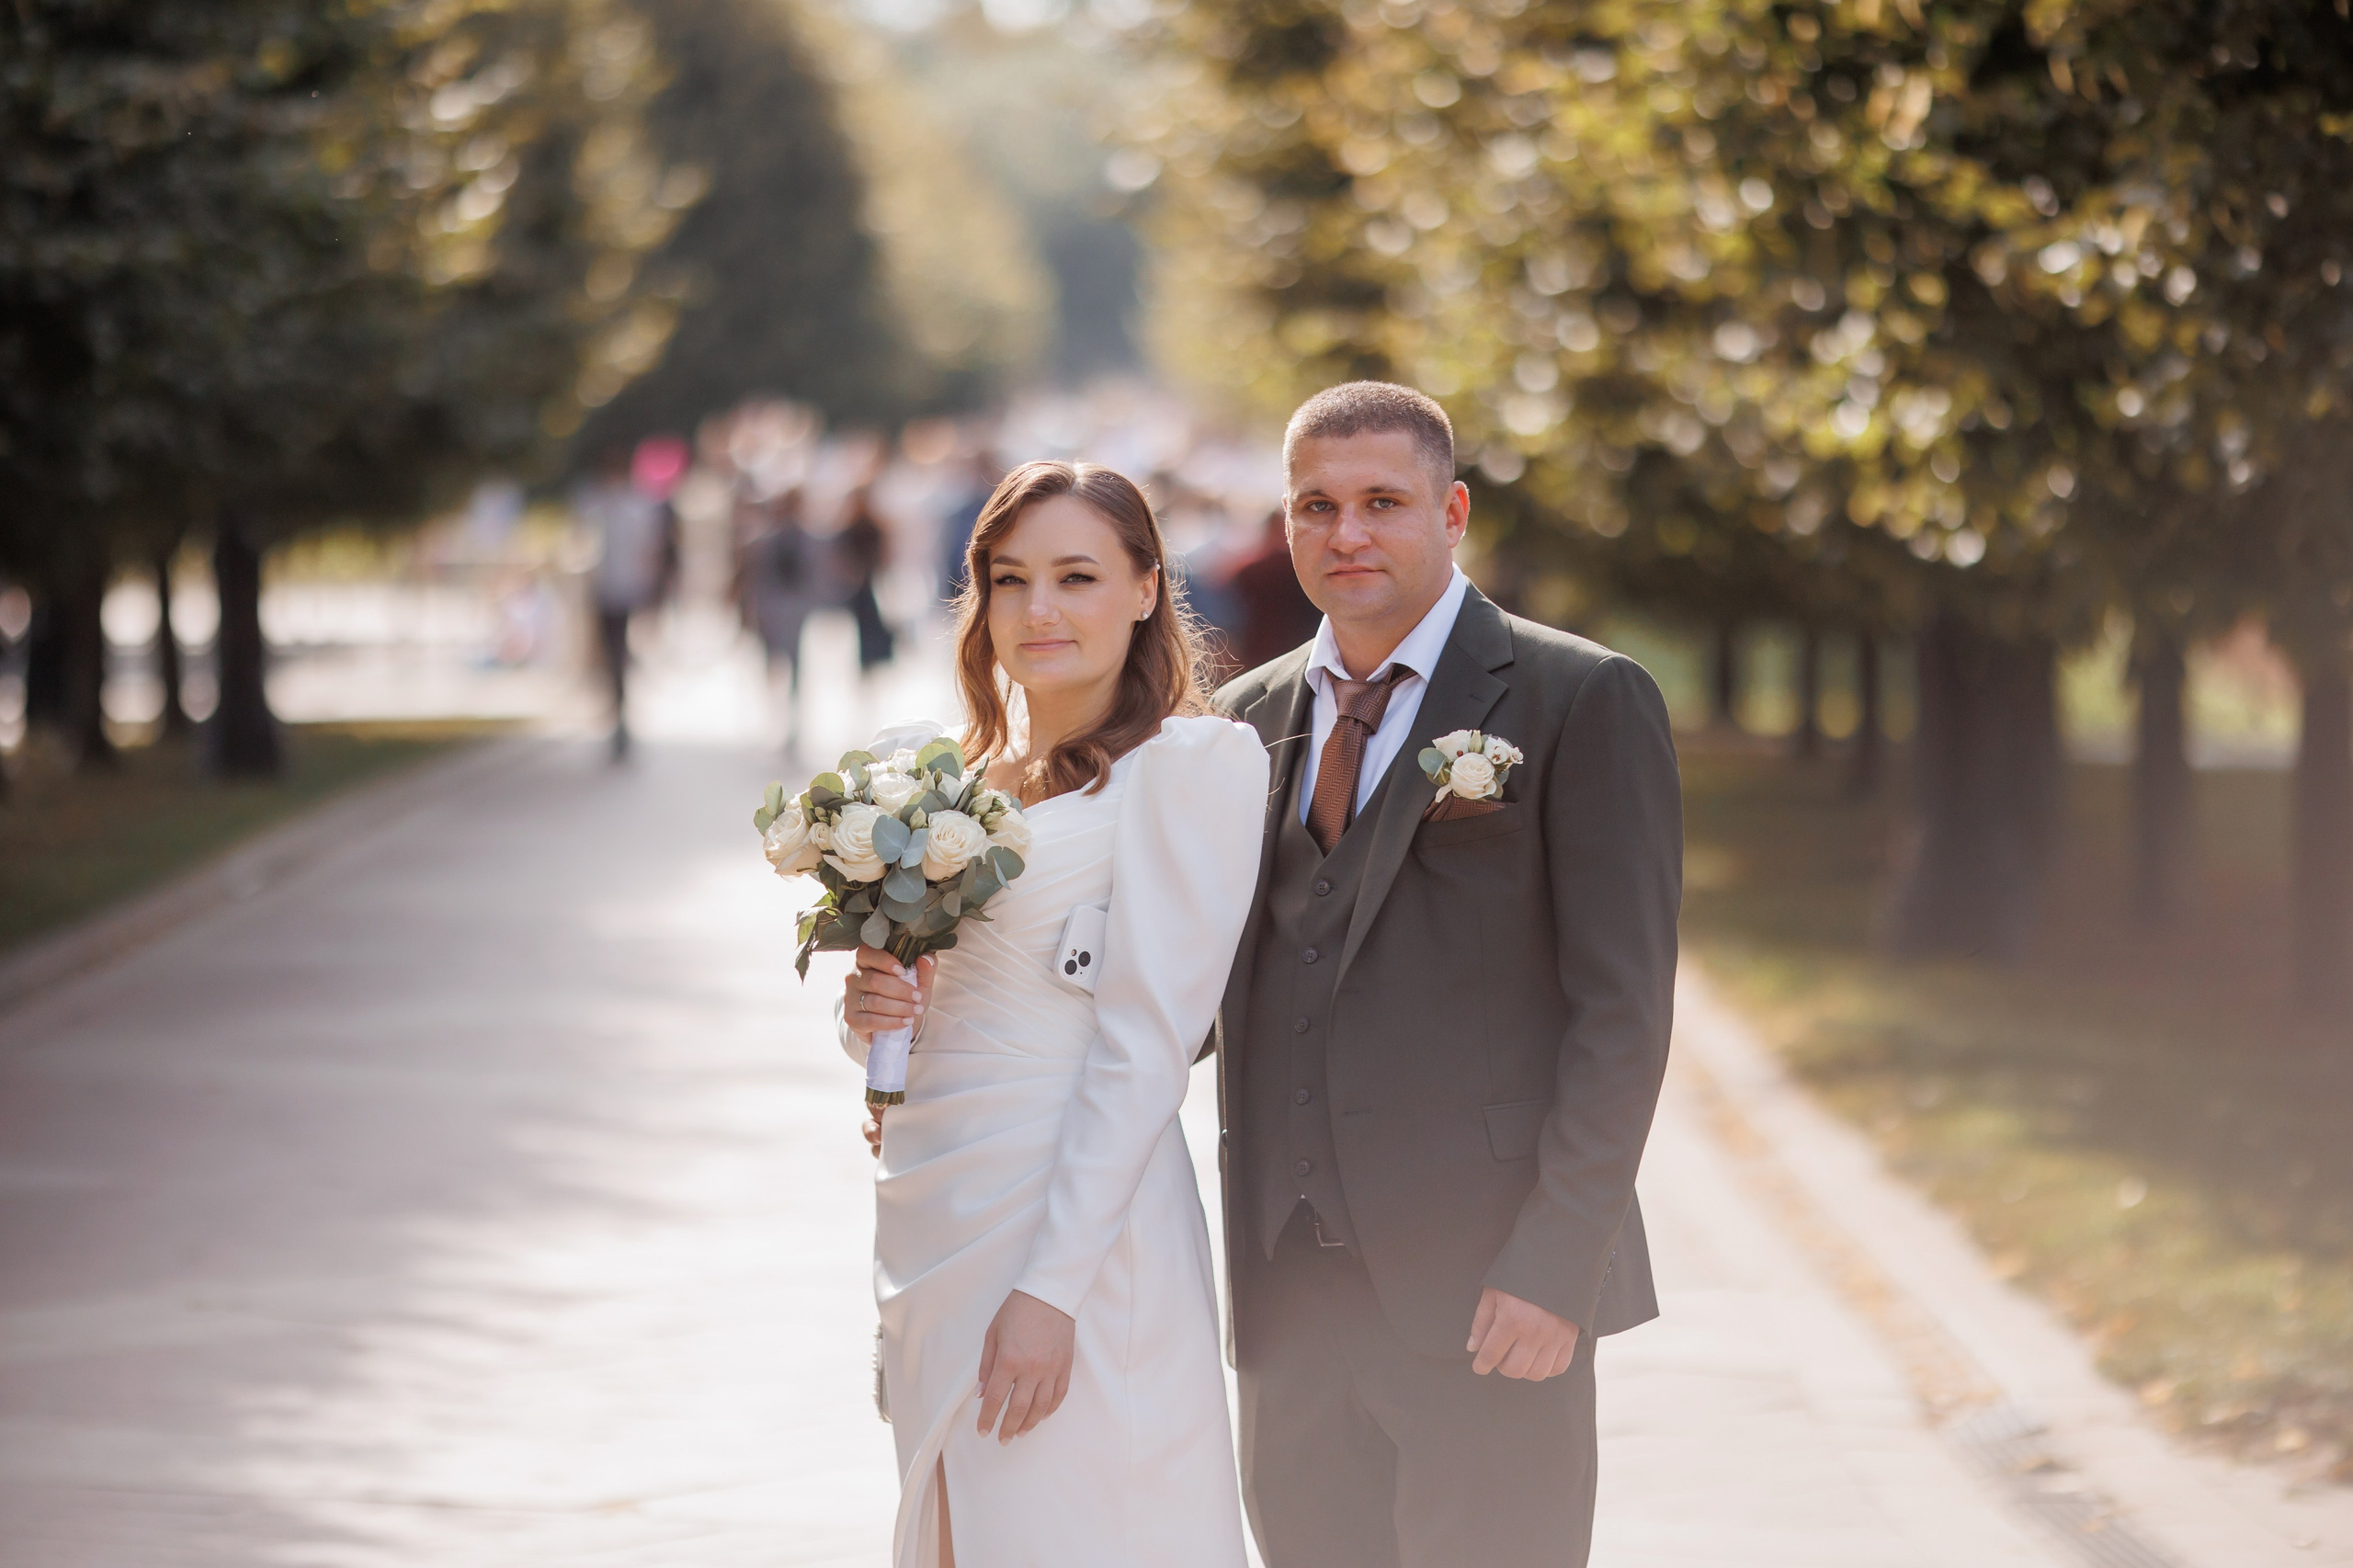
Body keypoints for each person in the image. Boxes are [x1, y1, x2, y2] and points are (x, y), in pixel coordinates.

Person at [1211, 381, 1681, 1568]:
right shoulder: (1235, 723)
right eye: (1316, 505)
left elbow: (1621, 1015)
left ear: (1453, 509)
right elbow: (1179, 994)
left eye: (1382, 501)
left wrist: (1555, 1265)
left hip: (1491, 1287)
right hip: (1289, 1287)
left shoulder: (1580, 697)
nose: (1347, 533)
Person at [839, 461, 1266, 1568]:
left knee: (1076, 1523)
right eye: (1009, 578)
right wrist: (874, 1010)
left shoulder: (1190, 764)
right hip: (936, 1204)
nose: (1038, 610)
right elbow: (951, 1005)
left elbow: (1142, 1048)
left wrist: (1049, 1290)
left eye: (1077, 575)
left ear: (1143, 588)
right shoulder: (948, 780)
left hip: (1077, 1222)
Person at [574, 445, 676, 762]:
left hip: (628, 592)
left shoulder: (637, 507)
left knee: (621, 656)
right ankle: (617, 715)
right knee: (611, 657)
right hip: (607, 592)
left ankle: (623, 715)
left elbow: (650, 553)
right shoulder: (595, 505)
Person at [735, 486, 822, 752]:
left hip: (788, 609)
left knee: (790, 666)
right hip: (776, 609)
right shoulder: (768, 539)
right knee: (776, 665)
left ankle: (788, 721)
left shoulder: (799, 538)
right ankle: (777, 717)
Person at [1224, 505, 1322, 668]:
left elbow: (1233, 617)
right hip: (1302, 647)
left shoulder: (1250, 570)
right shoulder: (1304, 568)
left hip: (1259, 650)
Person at [836, 485, 896, 675]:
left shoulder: (872, 526)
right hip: (856, 583)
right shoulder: (851, 527)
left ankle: (874, 657)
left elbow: (882, 552)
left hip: (870, 581)